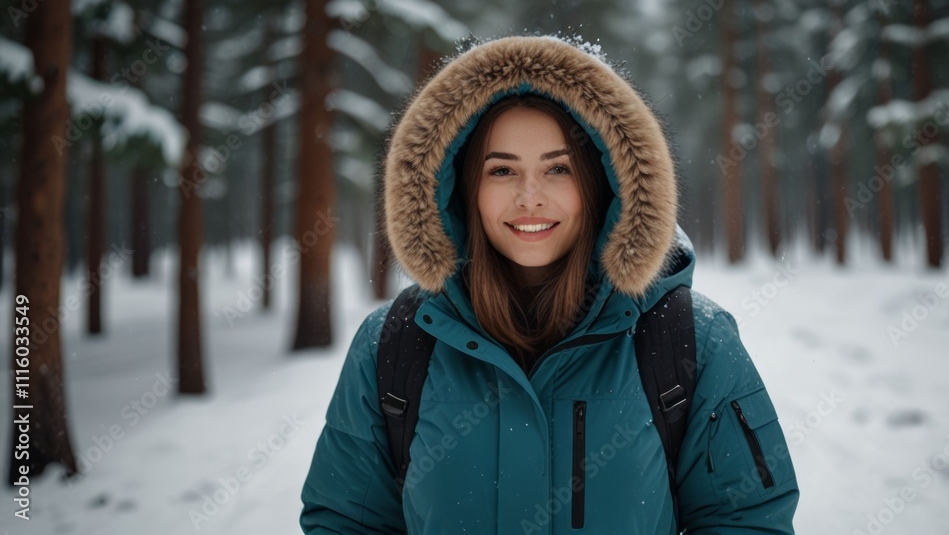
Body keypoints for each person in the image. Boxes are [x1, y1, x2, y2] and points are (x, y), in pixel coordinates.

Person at [300, 35, 799, 534]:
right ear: (461, 186)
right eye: (501, 170)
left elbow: (746, 521)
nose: (529, 197)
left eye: (558, 168)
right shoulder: (393, 344)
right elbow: (346, 523)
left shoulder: (689, 338)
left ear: (603, 181)